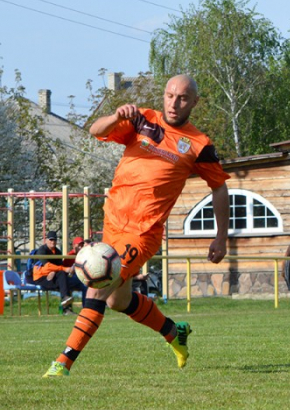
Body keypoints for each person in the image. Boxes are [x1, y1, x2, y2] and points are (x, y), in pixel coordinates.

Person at [43, 75, 231, 377]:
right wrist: (116, 115)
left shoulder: (199, 145)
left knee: (98, 288)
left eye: (183, 98)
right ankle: (173, 332)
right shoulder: (142, 119)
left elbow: (219, 187)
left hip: (143, 233)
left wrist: (220, 238)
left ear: (194, 102)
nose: (174, 103)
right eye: (170, 95)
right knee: (119, 300)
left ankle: (62, 363)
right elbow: (95, 130)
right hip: (113, 224)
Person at [28, 231, 75, 312]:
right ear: (46, 240)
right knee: (63, 281)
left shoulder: (57, 252)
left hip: (52, 277)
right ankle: (65, 307)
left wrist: (55, 271)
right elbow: (47, 266)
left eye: (54, 240)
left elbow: (58, 267)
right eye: (51, 240)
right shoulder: (42, 250)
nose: (52, 242)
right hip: (40, 278)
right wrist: (60, 269)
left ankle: (66, 307)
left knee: (64, 281)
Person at [61, 236, 90, 314]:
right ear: (74, 245)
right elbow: (64, 271)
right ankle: (67, 309)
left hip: (79, 279)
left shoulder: (84, 255)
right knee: (84, 284)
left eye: (82, 244)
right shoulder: (70, 255)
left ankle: (86, 309)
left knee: (86, 285)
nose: (80, 246)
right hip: (70, 279)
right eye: (79, 244)